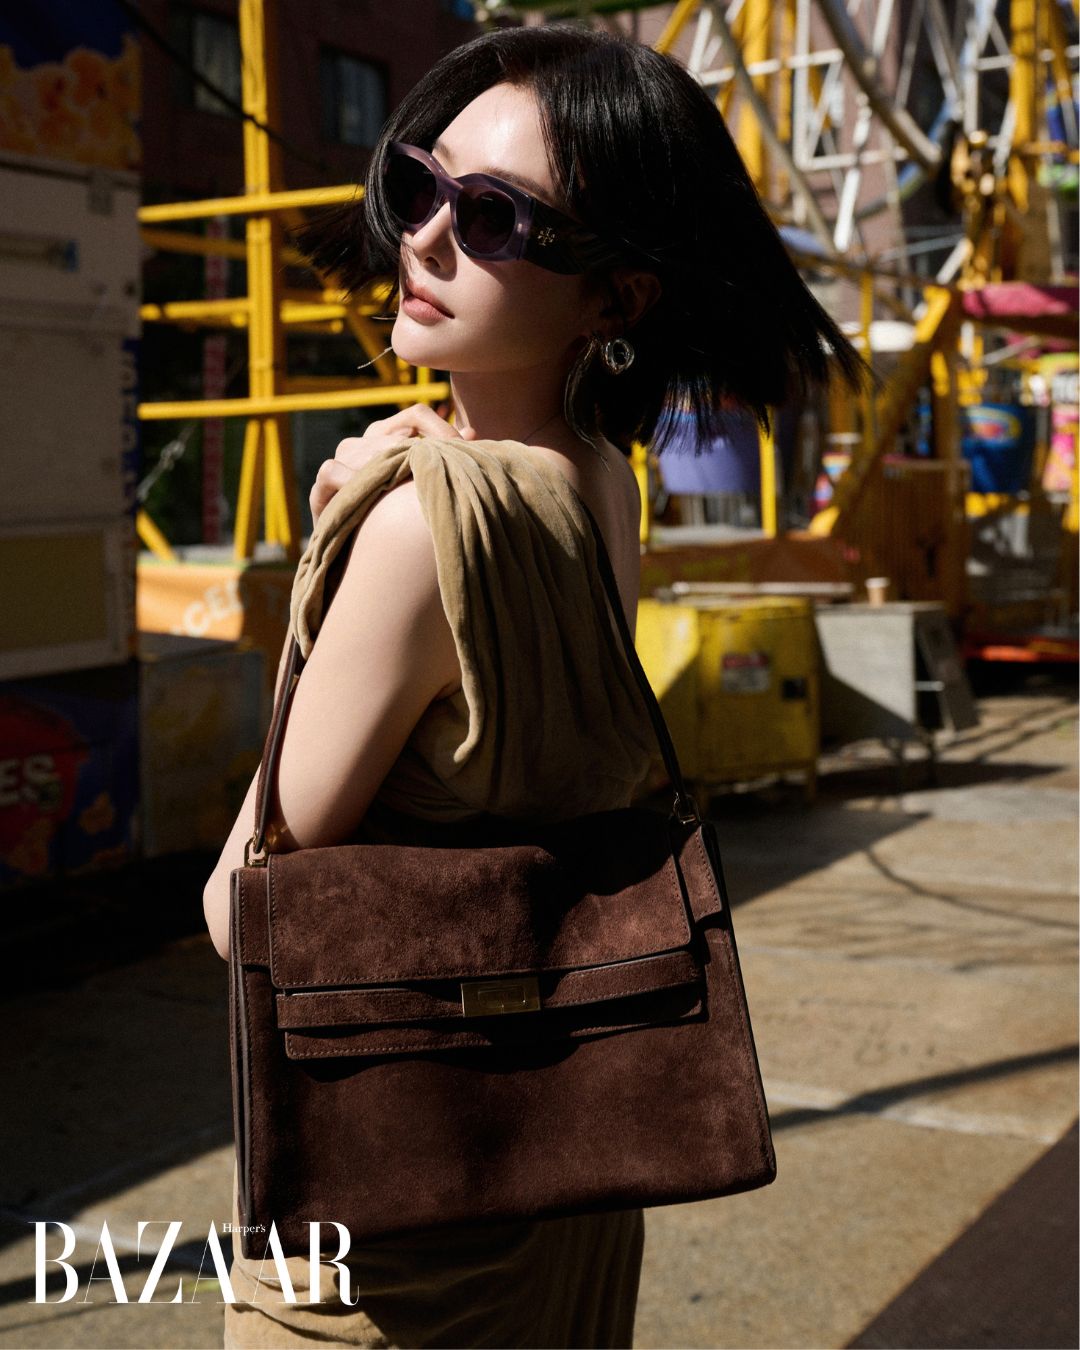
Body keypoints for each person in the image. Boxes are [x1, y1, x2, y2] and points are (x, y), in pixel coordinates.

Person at [202, 22, 866, 1349]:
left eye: (495, 216)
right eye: (418, 187)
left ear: (616, 299)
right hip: (570, 1185)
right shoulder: (603, 485)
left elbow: (239, 908)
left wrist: (345, 548)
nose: (427, 239)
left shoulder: (415, 528)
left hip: (396, 1247)